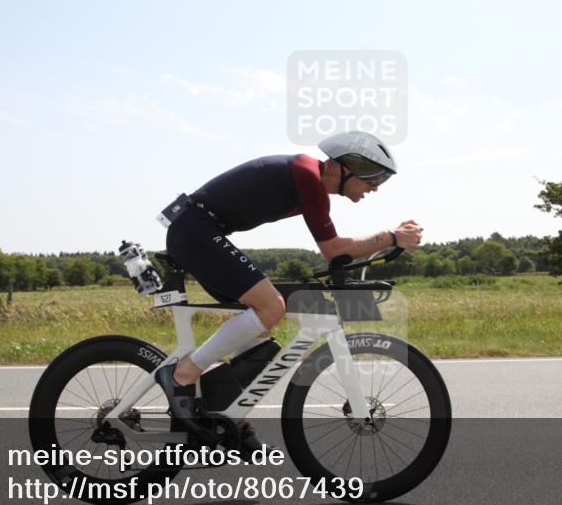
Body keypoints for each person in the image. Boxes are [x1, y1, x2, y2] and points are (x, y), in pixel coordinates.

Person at [154, 131, 423, 453]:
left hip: (201, 231)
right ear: (346, 166)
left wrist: (382, 244)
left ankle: (228, 418)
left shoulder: (312, 182)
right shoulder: (308, 176)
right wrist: (391, 237)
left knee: (259, 335)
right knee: (272, 307)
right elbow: (334, 250)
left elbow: (335, 254)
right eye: (373, 176)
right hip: (194, 230)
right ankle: (182, 375)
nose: (375, 187)